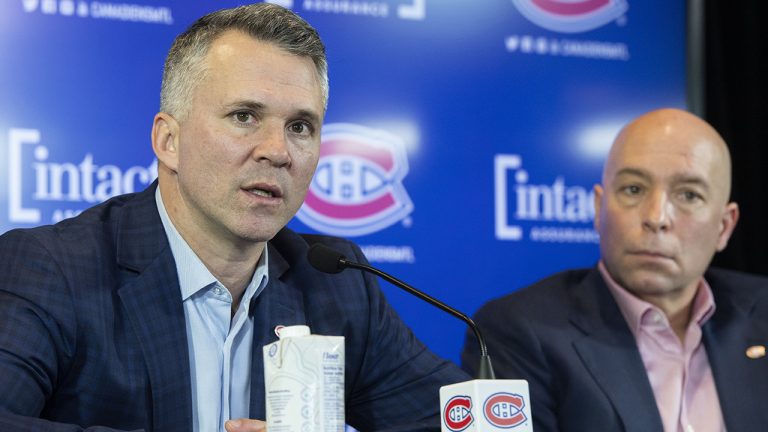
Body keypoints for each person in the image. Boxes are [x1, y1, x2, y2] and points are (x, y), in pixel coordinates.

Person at [0, 4, 468, 431]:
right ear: (169, 141)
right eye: (245, 116)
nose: (277, 151)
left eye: (300, 127)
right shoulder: (52, 268)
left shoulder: (335, 282)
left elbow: (465, 423)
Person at [462, 108, 768, 431]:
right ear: (599, 208)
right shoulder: (516, 331)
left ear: (724, 227)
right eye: (633, 189)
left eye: (689, 195)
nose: (656, 217)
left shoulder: (762, 314)